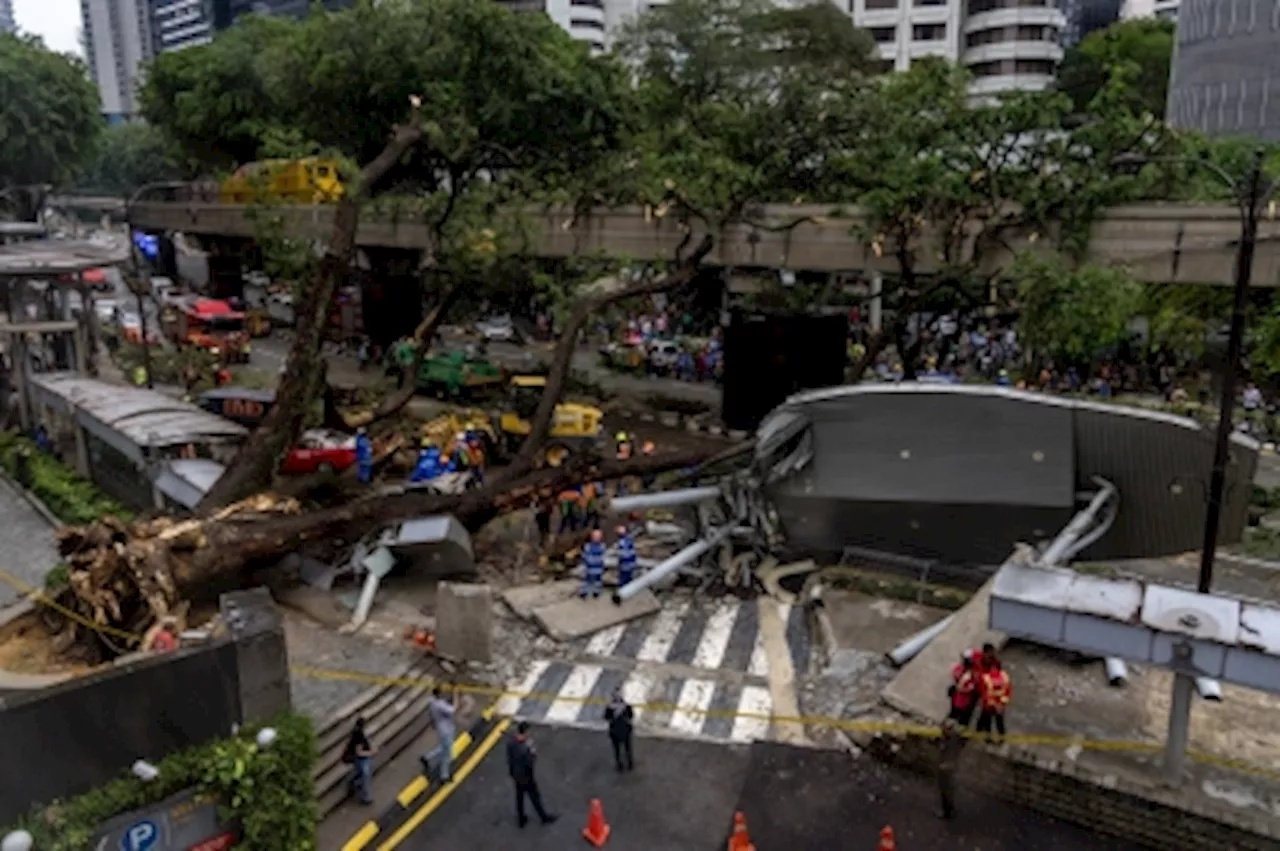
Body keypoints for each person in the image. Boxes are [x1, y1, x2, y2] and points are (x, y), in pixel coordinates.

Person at [506, 721, 558, 828]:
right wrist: (532, 751)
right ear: (525, 732)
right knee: (535, 796)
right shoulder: (525, 749)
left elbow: (510, 758)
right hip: (527, 777)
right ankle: (544, 817)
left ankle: (521, 819)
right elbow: (530, 762)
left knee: (519, 796)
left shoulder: (511, 743)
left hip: (516, 775)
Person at [422, 685, 458, 783]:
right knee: (446, 753)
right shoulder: (440, 704)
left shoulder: (432, 702)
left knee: (444, 747)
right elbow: (453, 710)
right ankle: (444, 776)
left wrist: (433, 723)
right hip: (447, 729)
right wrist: (455, 694)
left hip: (440, 728)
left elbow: (431, 714)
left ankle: (427, 757)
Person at [976, 658, 1012, 741]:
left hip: (993, 705)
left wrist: (999, 704)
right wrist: (999, 704)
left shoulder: (988, 677)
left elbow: (1007, 691)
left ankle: (995, 737)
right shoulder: (1003, 677)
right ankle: (990, 737)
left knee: (995, 722)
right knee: (989, 721)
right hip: (993, 705)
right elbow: (984, 692)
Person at [937, 718, 966, 819]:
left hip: (948, 768)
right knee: (945, 791)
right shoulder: (947, 738)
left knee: (947, 791)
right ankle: (948, 809)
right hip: (945, 767)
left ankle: (948, 811)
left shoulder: (955, 739)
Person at [344, 717, 376, 805]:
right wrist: (371, 753)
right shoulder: (359, 736)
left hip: (362, 758)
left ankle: (351, 784)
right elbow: (359, 752)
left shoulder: (360, 733)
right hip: (361, 759)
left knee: (361, 774)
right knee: (365, 776)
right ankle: (366, 798)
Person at [603, 688, 635, 772]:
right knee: (620, 749)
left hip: (619, 730)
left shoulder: (623, 706)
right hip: (619, 730)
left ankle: (627, 763)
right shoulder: (624, 706)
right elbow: (606, 717)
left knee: (624, 748)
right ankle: (622, 764)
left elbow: (631, 715)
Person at [947, 655, 978, 727]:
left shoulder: (969, 672)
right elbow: (960, 685)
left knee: (961, 712)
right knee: (957, 711)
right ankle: (951, 726)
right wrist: (969, 688)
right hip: (961, 696)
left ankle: (956, 726)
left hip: (964, 697)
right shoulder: (962, 671)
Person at [581, 528, 606, 598]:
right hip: (589, 567)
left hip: (598, 567)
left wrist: (602, 563)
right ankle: (584, 591)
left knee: (597, 580)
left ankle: (596, 591)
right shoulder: (588, 546)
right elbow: (584, 556)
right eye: (595, 536)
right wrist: (584, 564)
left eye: (598, 537)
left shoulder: (602, 546)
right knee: (586, 580)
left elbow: (603, 556)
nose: (596, 538)